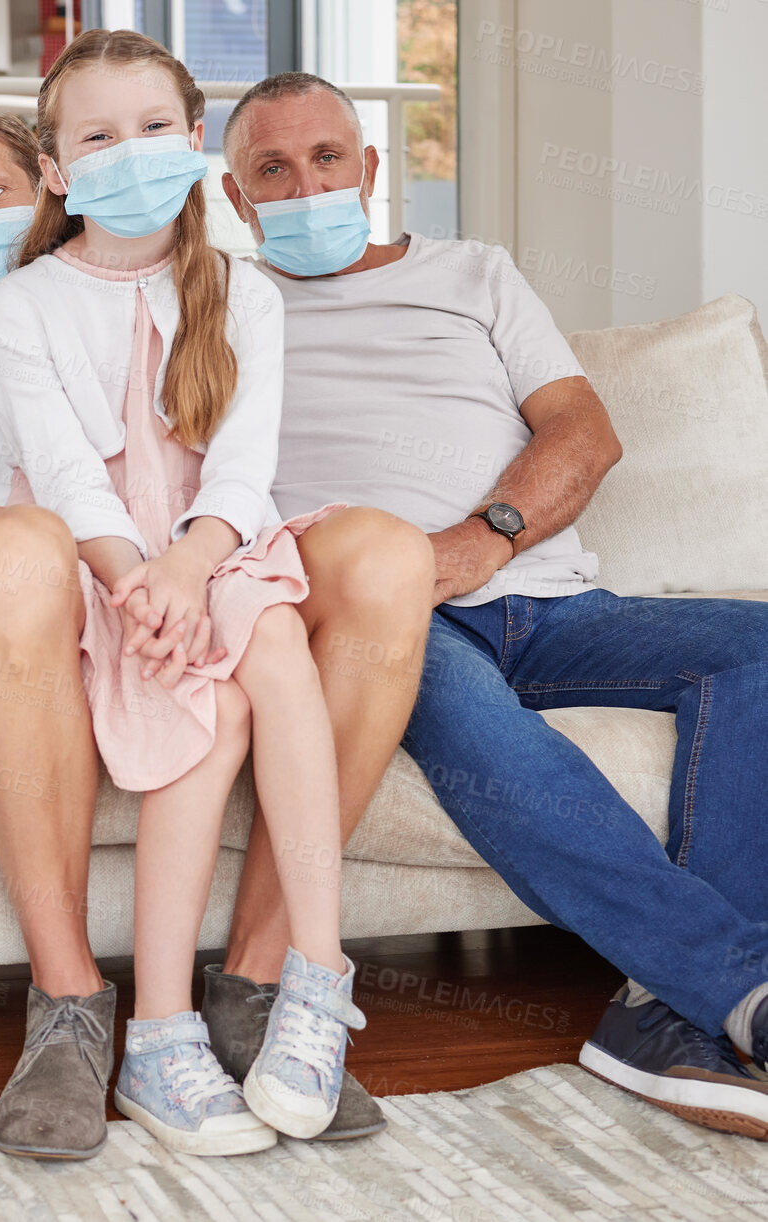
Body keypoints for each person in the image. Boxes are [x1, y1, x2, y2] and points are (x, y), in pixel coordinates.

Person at [0, 105, 432, 1156]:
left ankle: (260, 983)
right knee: (23, 545)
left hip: (154, 587)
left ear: (51, 184)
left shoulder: (186, 304)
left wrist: (183, 574)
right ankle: (69, 1004)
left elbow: (225, 483)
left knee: (383, 554)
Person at [220, 70, 768, 1139]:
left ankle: (666, 1005)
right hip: (383, 624)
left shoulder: (472, 274)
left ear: (369, 170)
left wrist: (480, 542)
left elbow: (582, 432)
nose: (303, 183)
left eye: (326, 157)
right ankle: (736, 991)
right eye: (269, 170)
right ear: (236, 202)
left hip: (551, 601)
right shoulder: (217, 307)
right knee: (492, 739)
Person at [0, 28, 367, 1154]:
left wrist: (192, 568)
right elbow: (60, 475)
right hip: (101, 575)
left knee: (275, 642)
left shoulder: (242, 294)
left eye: (152, 128)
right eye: (95, 135)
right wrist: (142, 587)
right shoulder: (24, 307)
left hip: (215, 550)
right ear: (55, 169)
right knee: (225, 703)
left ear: (191, 141)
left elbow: (240, 465)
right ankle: (157, 1035)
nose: (129, 151)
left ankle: (313, 982)